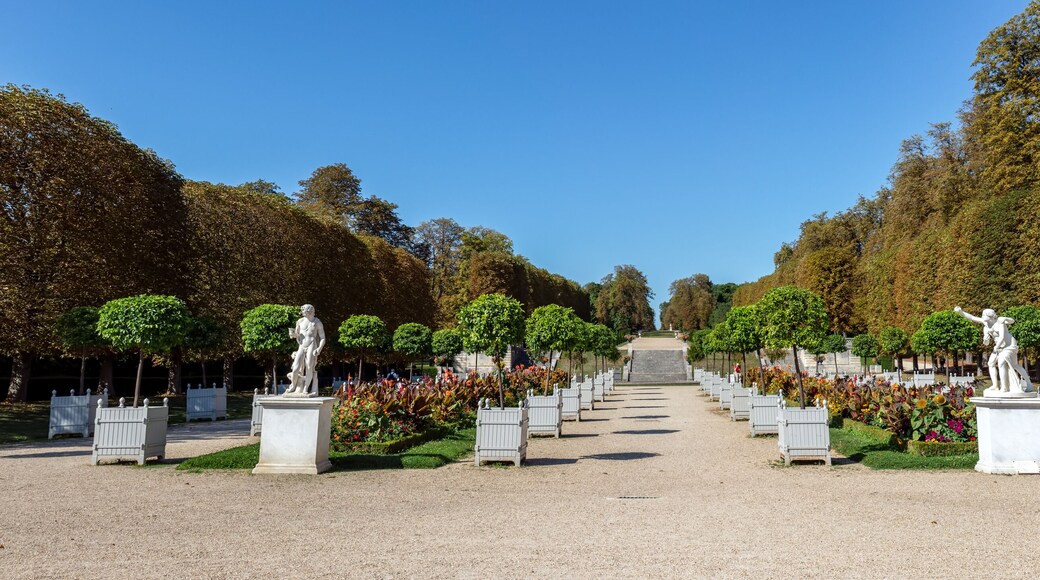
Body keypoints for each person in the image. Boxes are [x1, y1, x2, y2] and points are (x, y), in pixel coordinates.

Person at [954, 306, 1033, 396]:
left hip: (1009, 345)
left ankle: (1010, 386)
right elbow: (972, 317)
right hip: (999, 347)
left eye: (984, 316)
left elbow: (1004, 334)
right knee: (991, 363)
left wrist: (1005, 319)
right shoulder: (985, 323)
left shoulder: (999, 322)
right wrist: (961, 312)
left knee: (1005, 363)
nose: (983, 317)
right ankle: (995, 386)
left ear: (991, 317)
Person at [285, 304, 326, 396]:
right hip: (302, 345)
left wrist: (319, 349)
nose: (302, 312)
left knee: (309, 367)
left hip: (312, 344)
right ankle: (293, 386)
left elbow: (323, 338)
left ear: (309, 311)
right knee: (295, 367)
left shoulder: (317, 322)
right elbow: (297, 334)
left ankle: (306, 387)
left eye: (303, 310)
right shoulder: (300, 321)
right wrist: (293, 334)